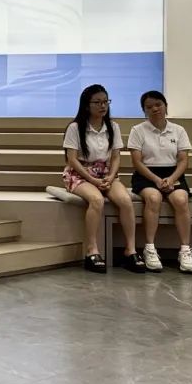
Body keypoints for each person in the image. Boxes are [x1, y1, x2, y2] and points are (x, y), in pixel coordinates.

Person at [62, 84, 138, 273]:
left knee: (125, 201)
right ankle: (92, 250)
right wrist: (93, 180)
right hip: (80, 172)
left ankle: (130, 250)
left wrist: (110, 177)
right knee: (96, 200)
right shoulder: (75, 127)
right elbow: (72, 160)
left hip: (106, 173)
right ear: (87, 105)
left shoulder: (113, 127)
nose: (103, 106)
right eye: (97, 102)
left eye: (105, 101)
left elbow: (116, 157)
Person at [127, 90, 192, 273]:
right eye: (149, 107)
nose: (155, 109)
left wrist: (171, 179)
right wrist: (156, 180)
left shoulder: (179, 130)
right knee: (153, 198)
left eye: (158, 104)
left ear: (165, 106)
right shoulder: (137, 130)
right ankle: (149, 248)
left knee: (181, 200)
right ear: (144, 110)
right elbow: (137, 162)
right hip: (147, 175)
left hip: (173, 174)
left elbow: (183, 161)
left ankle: (185, 250)